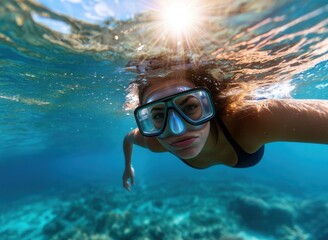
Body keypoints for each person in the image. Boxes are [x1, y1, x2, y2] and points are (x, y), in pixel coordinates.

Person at [122, 57, 328, 191]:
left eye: (190, 107)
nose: (178, 129)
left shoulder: (253, 119)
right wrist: (128, 167)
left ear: (210, 104)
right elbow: (128, 138)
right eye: (158, 116)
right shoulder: (155, 140)